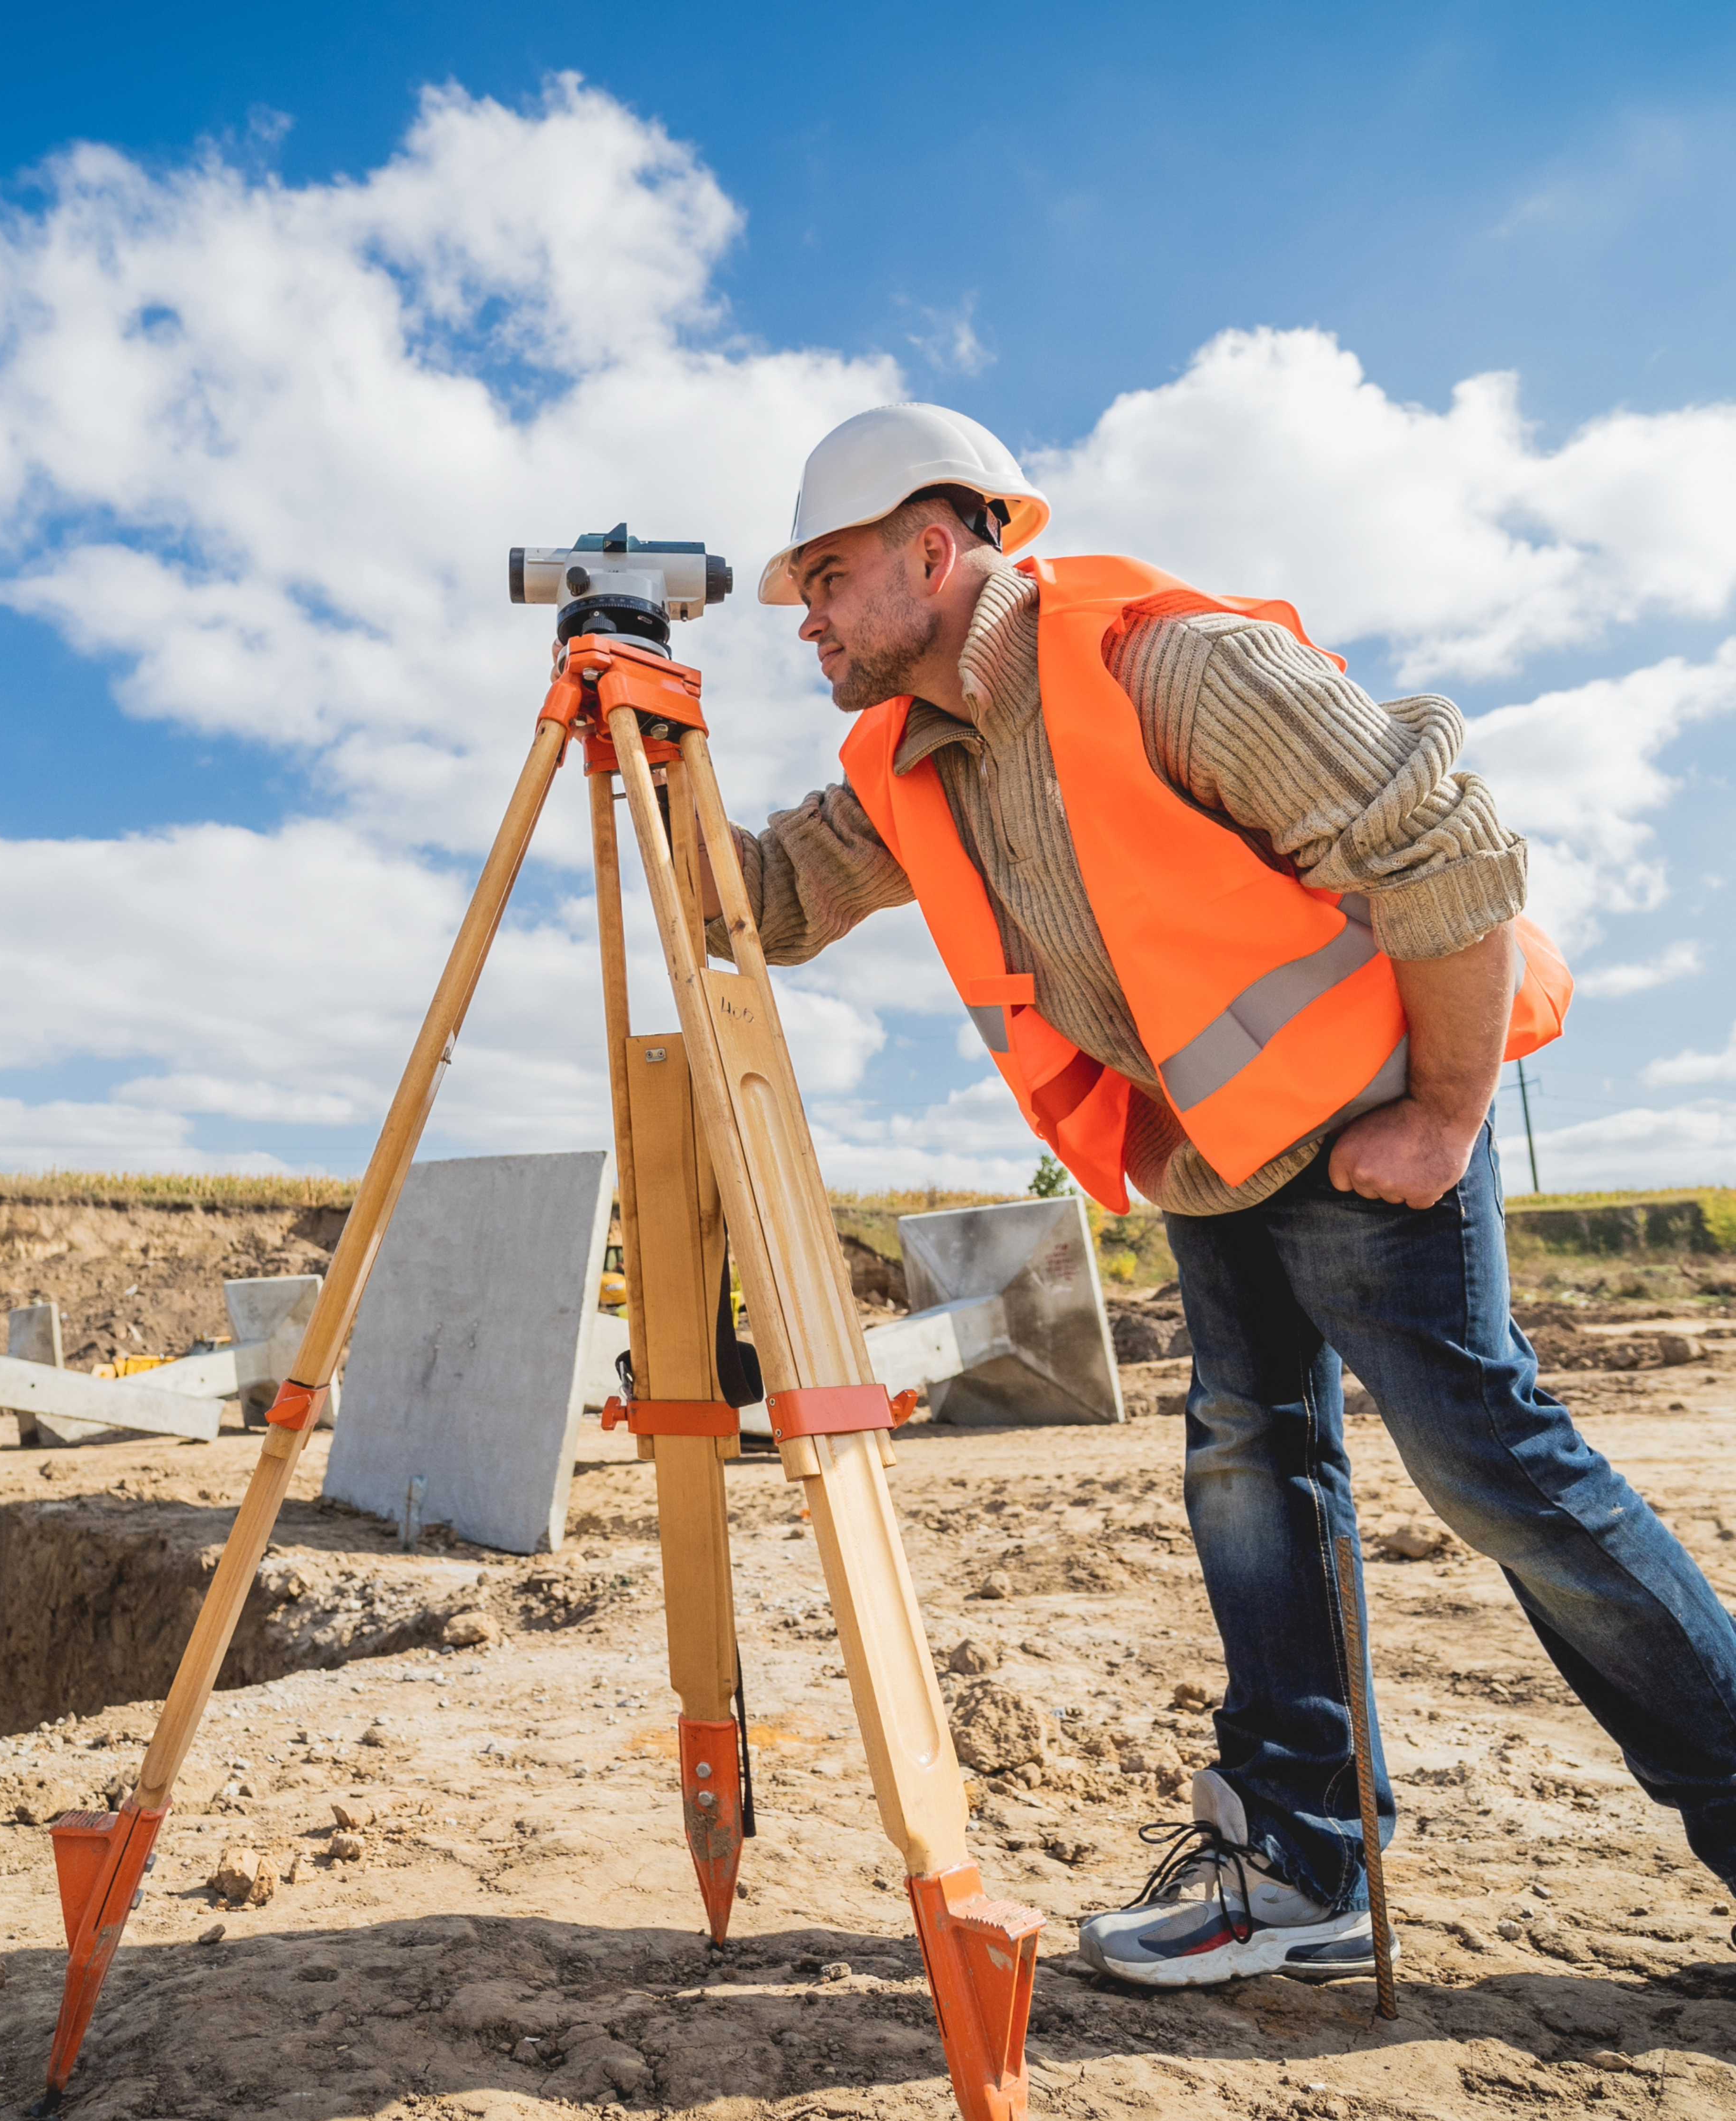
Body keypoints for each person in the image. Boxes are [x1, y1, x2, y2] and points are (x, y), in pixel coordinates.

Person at [710, 400, 1736, 1987]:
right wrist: (641, 751)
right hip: (1212, 1156)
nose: (814, 621)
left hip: (1369, 1129)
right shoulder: (910, 757)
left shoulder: (1161, 666)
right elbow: (770, 901)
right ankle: (1299, 1867)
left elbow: (1452, 846)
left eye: (830, 579)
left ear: (937, 547)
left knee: (1494, 1474)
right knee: (1250, 1468)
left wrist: (1452, 1110)